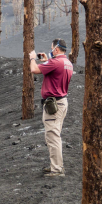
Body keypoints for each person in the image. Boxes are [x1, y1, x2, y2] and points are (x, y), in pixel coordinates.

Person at [29, 38, 73, 177]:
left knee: (53, 137)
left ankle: (57, 169)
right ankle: (56, 165)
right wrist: (47, 60)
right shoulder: (67, 62)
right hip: (62, 102)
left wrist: (32, 58)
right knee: (55, 135)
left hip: (53, 104)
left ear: (56, 49)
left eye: (52, 48)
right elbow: (54, 71)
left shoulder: (55, 62)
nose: (51, 50)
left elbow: (34, 70)